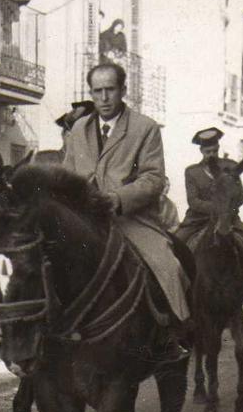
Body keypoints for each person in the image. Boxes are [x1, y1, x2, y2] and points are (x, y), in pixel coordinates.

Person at [62, 63, 190, 361]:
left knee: (168, 266)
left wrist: (117, 199)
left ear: (123, 90)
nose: (104, 97)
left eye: (110, 90)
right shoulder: (79, 129)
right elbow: (67, 174)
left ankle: (169, 333)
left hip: (132, 219)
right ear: (91, 93)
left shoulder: (144, 128)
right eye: (98, 91)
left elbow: (153, 178)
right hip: (87, 220)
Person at [173, 128, 243, 291]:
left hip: (228, 220)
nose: (211, 154)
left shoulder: (231, 166)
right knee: (176, 246)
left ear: (218, 148)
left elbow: (240, 197)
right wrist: (218, 208)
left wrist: (227, 210)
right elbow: (193, 201)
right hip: (197, 221)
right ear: (201, 150)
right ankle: (178, 289)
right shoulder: (192, 172)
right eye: (207, 151)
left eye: (214, 150)